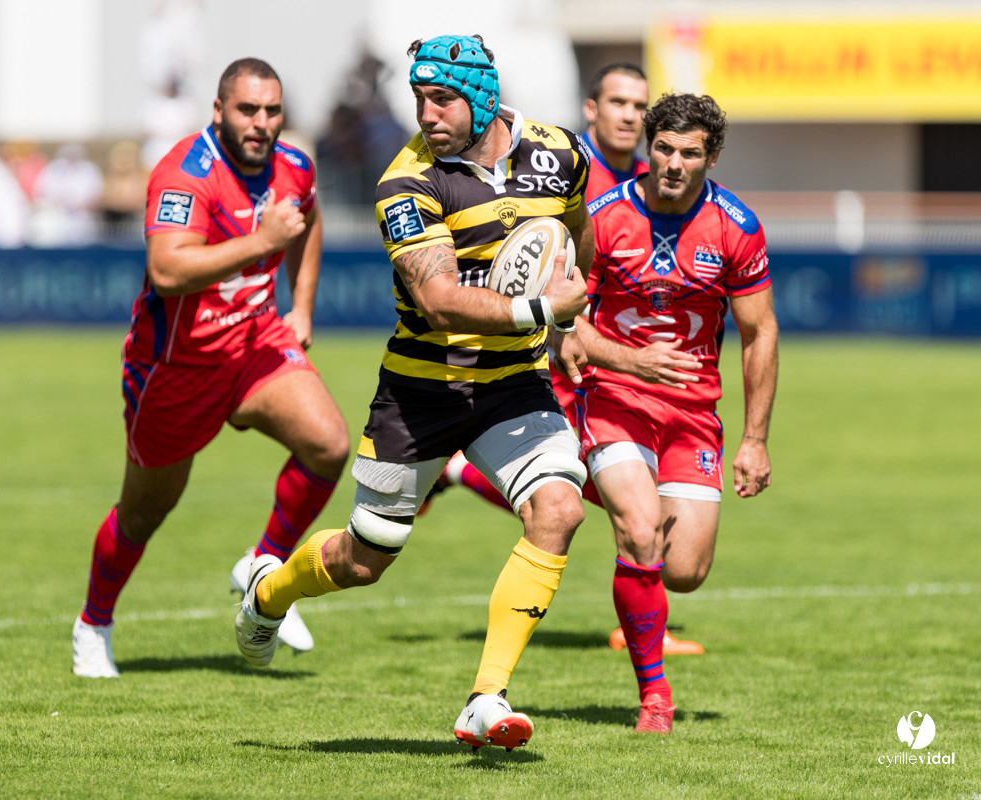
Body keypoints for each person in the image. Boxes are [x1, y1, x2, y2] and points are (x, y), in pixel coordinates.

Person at [234, 34, 594, 752]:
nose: (425, 113)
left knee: (559, 507)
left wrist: (571, 319)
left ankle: (485, 698)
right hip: (422, 390)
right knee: (366, 559)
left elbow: (575, 234)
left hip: (514, 383)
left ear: (483, 96)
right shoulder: (407, 183)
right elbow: (439, 301)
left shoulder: (558, 152)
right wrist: (541, 312)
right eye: (419, 98)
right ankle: (267, 594)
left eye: (442, 98)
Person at [72, 57, 350, 678]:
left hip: (255, 343)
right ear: (219, 111)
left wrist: (301, 307)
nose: (261, 123)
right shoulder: (185, 174)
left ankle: (263, 565)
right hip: (176, 368)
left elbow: (309, 221)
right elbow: (169, 271)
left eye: (272, 111)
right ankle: (93, 623)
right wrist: (262, 240)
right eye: (248, 110)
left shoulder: (295, 168)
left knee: (330, 446)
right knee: (144, 513)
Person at [417, 63, 707, 656]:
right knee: (595, 484)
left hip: (600, 356)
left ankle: (458, 473)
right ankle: (647, 629)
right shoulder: (571, 170)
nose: (630, 114)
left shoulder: (644, 177)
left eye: (638, 105)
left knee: (607, 487)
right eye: (618, 102)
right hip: (559, 353)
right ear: (591, 110)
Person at [571, 93, 778, 733]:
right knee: (638, 528)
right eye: (663, 148)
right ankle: (655, 698)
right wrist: (626, 361)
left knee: (683, 572)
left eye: (689, 153)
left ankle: (576, 477)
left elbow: (760, 332)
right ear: (648, 147)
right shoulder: (601, 217)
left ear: (710, 156)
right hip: (612, 400)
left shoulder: (737, 227)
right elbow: (564, 320)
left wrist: (755, 440)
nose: (673, 163)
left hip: (692, 415)